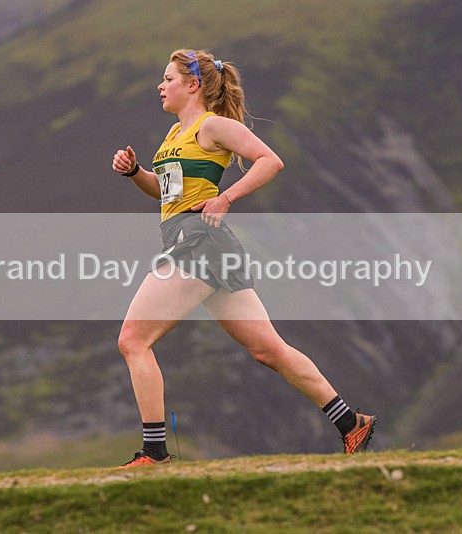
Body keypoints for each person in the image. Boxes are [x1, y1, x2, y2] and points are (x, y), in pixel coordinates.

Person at [111, 49, 375, 468]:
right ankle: (351, 422)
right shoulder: (171, 137)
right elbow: (165, 195)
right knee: (268, 350)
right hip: (206, 245)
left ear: (193, 85)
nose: (160, 86)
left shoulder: (213, 125)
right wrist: (135, 173)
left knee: (133, 340)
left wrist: (227, 197)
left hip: (197, 243)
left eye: (167, 79)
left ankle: (155, 453)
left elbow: (271, 160)